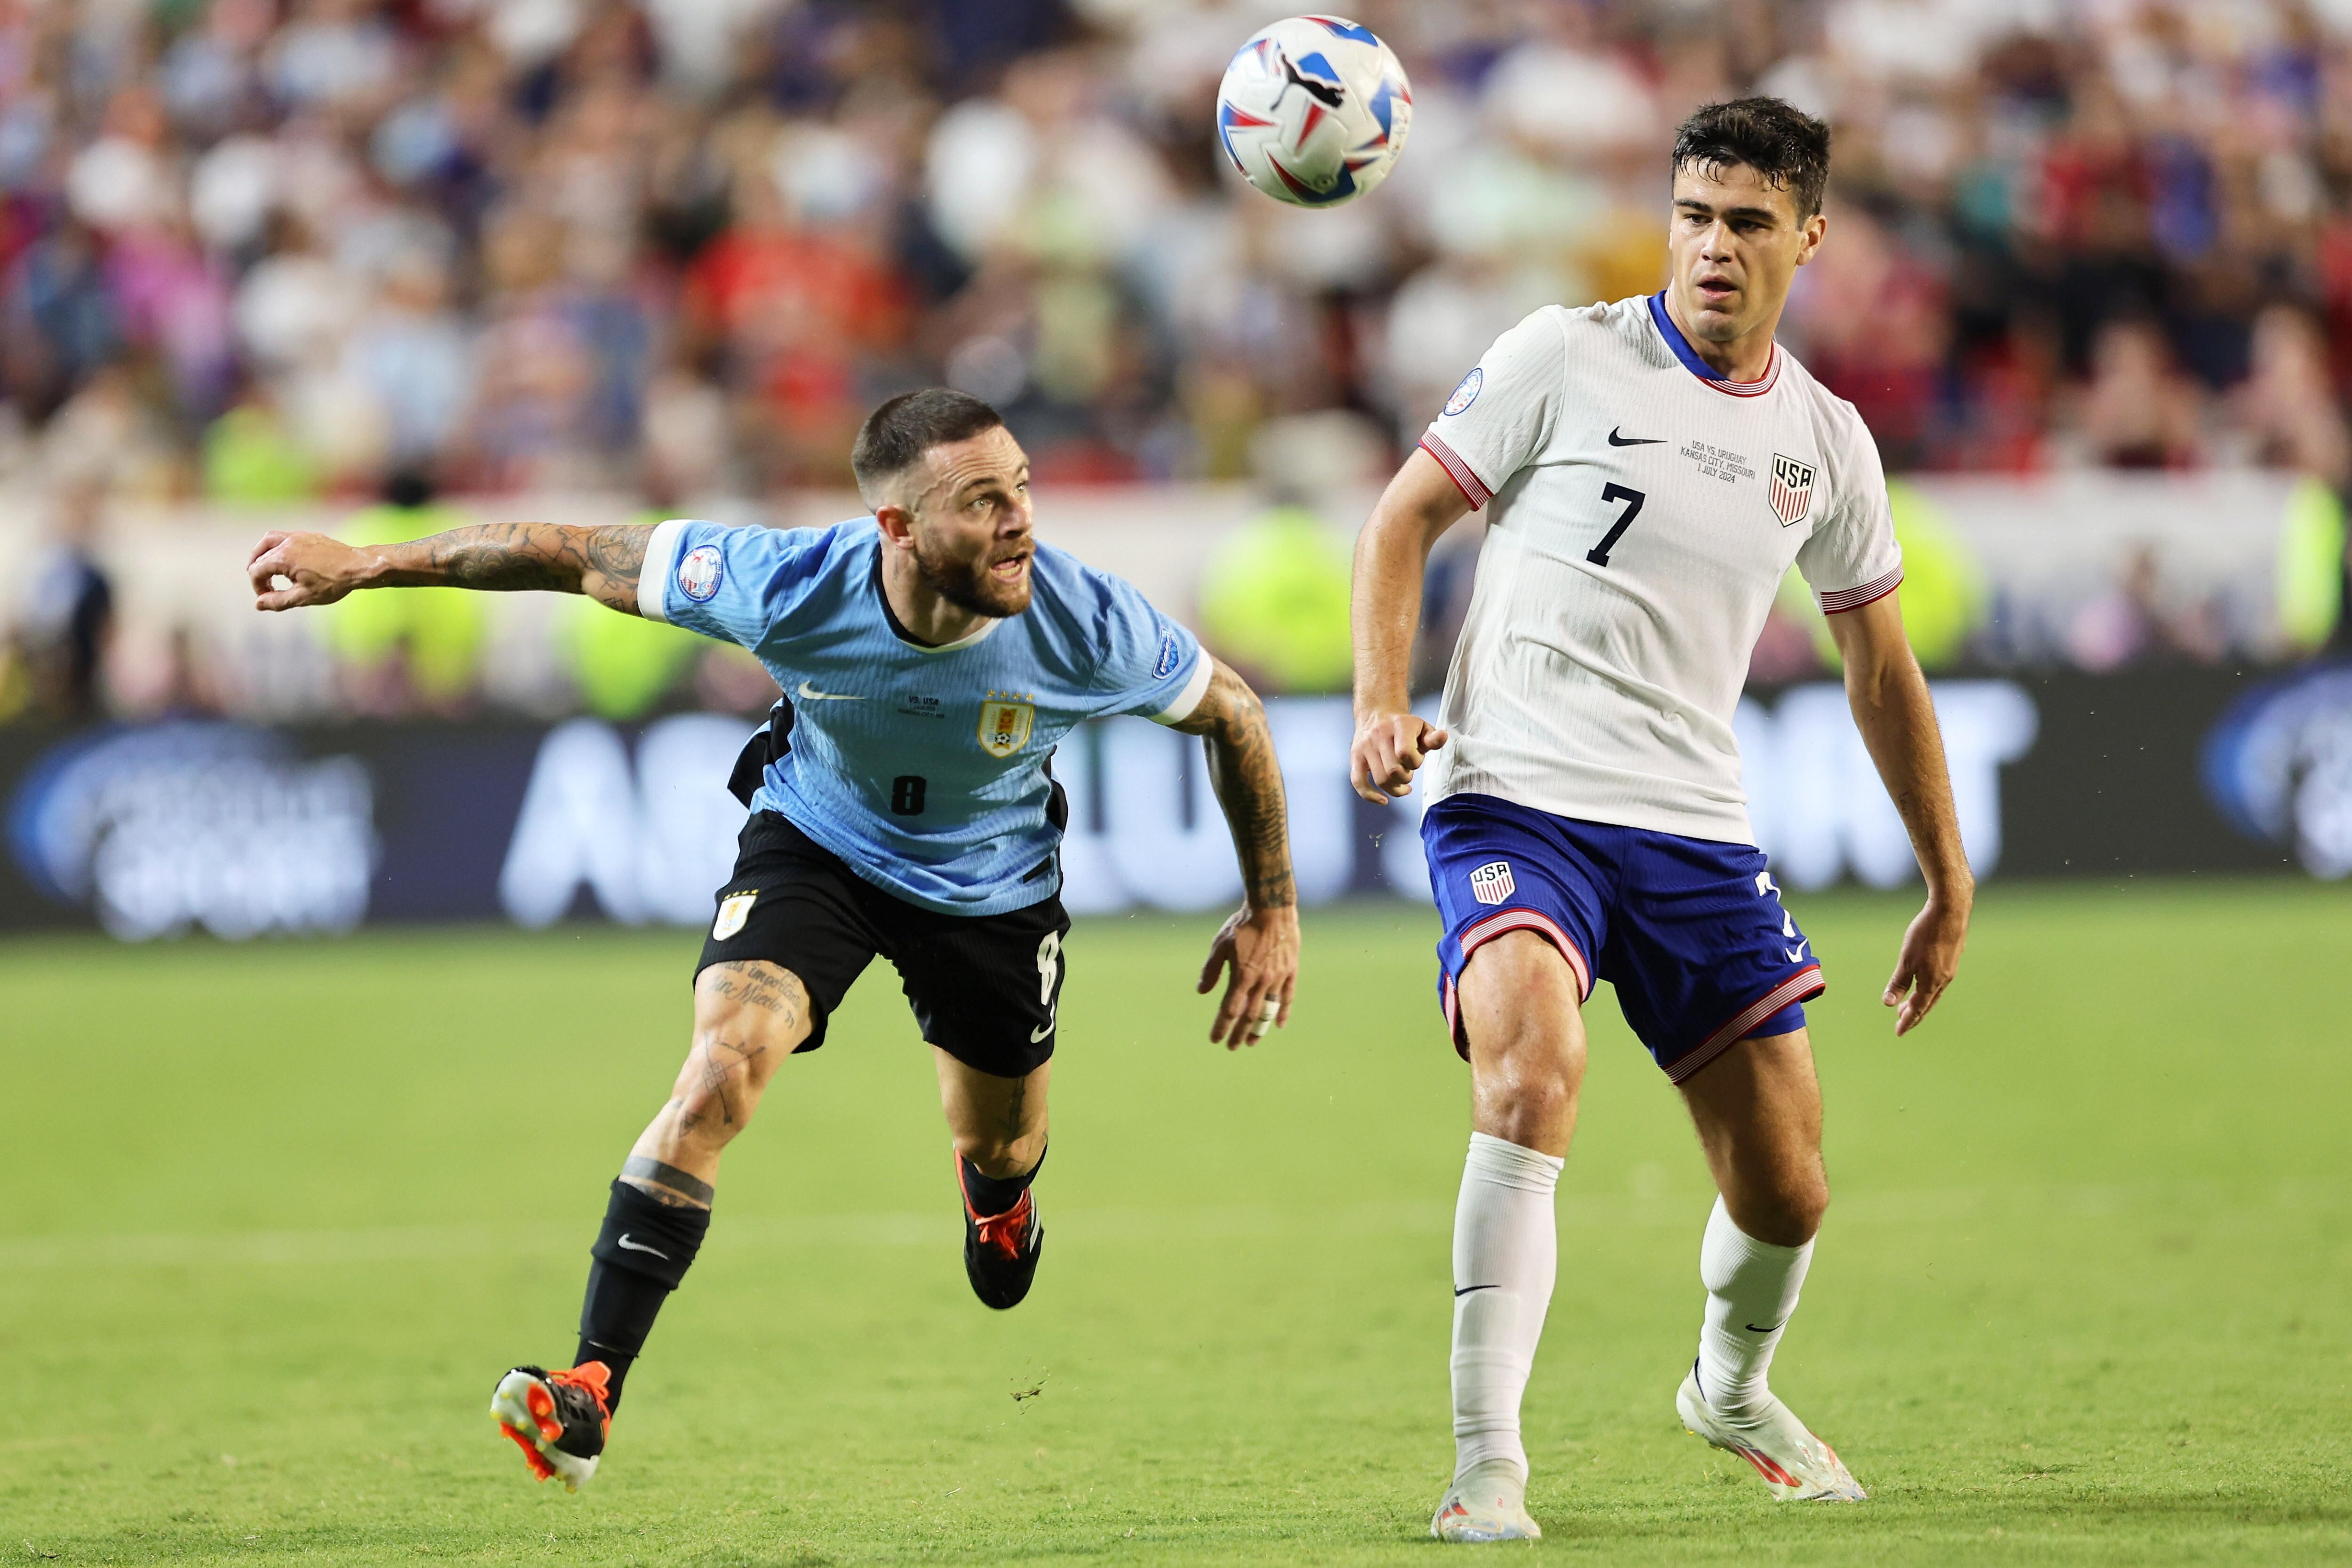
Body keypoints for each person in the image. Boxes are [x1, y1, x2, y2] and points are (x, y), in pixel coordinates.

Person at [246, 389, 1301, 1491]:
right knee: (718, 1070)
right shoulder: (786, 582)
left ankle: (1000, 1199)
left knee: (999, 1146)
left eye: (1022, 486)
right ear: (896, 528)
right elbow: (565, 551)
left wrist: (1269, 903)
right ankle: (591, 1385)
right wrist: (367, 563)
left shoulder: (1083, 620)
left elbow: (1234, 714)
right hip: (822, 847)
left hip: (991, 890)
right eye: (982, 500)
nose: (1019, 521)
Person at [1349, 99, 1971, 1543]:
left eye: (1749, 222)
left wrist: (1946, 874)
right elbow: (1400, 520)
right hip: (1513, 788)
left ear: (1809, 237)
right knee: (1530, 1069)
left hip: (1690, 825)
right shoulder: (1564, 353)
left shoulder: (1824, 440)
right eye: (1694, 214)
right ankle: (1485, 1464)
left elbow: (1881, 665)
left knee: (1791, 1184)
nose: (1713, 246)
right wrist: (1383, 702)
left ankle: (1728, 1383)